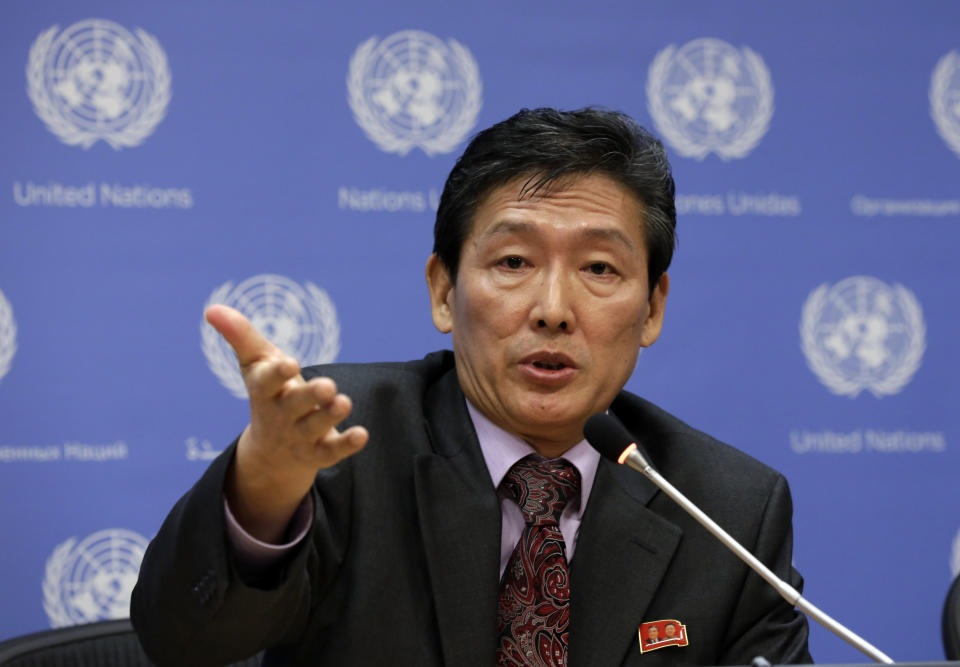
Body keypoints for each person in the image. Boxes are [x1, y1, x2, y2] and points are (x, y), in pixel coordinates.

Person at [131, 107, 812, 666]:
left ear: (653, 308)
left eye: (599, 268)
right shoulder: (341, 444)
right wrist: (265, 487)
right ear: (444, 291)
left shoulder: (728, 510)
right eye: (513, 260)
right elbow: (185, 640)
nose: (553, 307)